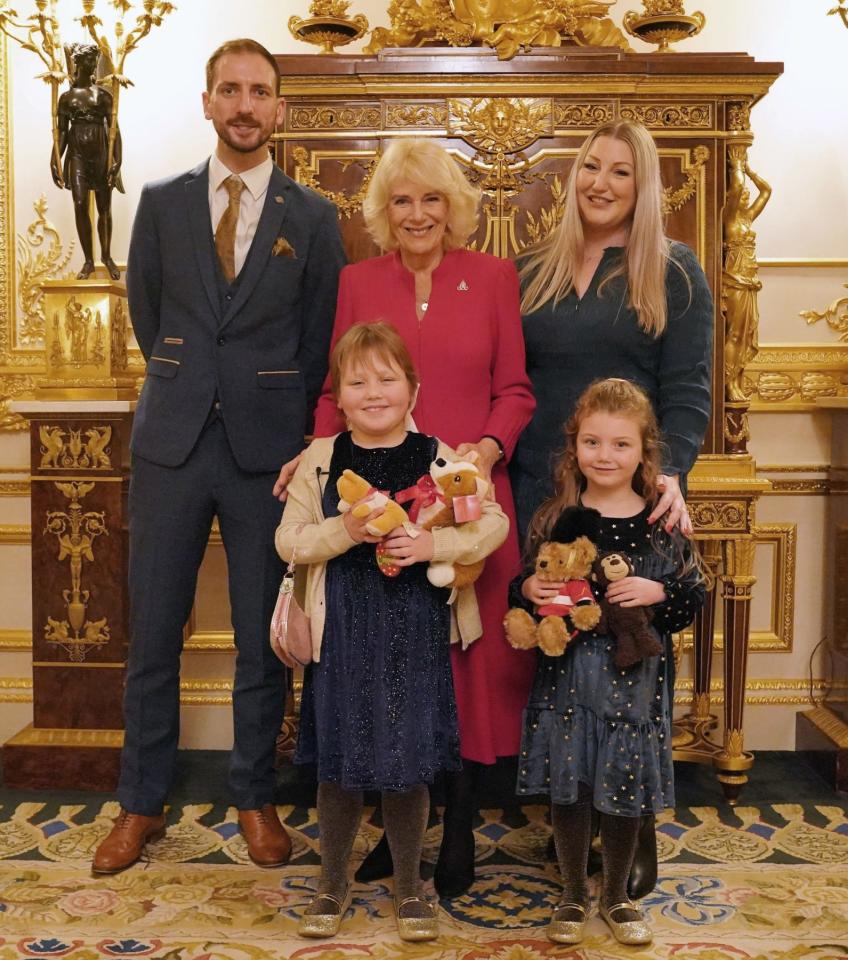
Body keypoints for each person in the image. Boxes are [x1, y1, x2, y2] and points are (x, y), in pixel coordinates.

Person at [91, 38, 345, 875]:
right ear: (207, 103)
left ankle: (253, 800)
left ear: (278, 109)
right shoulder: (161, 204)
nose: (244, 105)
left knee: (258, 638)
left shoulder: (311, 219)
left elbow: (318, 344)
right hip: (169, 442)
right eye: (229, 90)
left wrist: (286, 425)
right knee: (153, 634)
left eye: (259, 92)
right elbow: (147, 312)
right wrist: (189, 380)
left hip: (265, 455)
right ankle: (139, 806)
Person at [276, 137, 535, 897]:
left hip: (465, 497)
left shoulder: (493, 277)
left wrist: (481, 456)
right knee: (387, 663)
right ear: (383, 212)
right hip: (373, 495)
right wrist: (312, 454)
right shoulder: (359, 280)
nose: (417, 213)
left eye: (431, 199)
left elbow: (515, 389)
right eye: (401, 200)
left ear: (454, 207)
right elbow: (336, 390)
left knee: (465, 666)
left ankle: (457, 831)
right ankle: (397, 839)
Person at [510, 119, 713, 898]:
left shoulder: (674, 271)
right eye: (589, 167)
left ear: (643, 185)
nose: (600, 182)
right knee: (564, 666)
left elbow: (689, 388)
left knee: (628, 669)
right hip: (545, 493)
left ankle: (631, 835)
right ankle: (570, 826)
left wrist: (673, 477)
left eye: (619, 173)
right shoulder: (535, 270)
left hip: (628, 498)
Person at [275, 322, 509, 941]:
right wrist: (344, 533)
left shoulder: (441, 458)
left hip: (413, 626)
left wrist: (434, 540)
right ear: (339, 396)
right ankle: (331, 882)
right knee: (340, 764)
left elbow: (491, 522)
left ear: (413, 388)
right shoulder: (321, 461)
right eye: (357, 381)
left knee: (407, 763)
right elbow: (289, 540)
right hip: (342, 631)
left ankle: (411, 886)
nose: (373, 392)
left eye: (387, 378)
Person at [514, 377, 705, 947]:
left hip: (633, 687)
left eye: (621, 444)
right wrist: (530, 592)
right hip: (568, 685)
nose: (605, 455)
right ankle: (573, 892)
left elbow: (692, 594)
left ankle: (617, 895)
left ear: (644, 452)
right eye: (592, 442)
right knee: (569, 791)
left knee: (622, 792)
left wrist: (656, 593)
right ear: (574, 446)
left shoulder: (661, 519)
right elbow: (522, 583)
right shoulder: (556, 516)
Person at [51, 42, 122, 280]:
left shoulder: (102, 96)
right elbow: (61, 132)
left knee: (104, 207)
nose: (93, 66)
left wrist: (117, 160)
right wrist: (55, 158)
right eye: (89, 62)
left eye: (95, 61)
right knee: (80, 204)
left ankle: (107, 256)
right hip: (78, 156)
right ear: (79, 64)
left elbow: (114, 129)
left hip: (101, 153)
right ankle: (88, 260)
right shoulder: (66, 98)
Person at [721, 145, 770, 403]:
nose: (745, 196)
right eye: (741, 195)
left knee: (746, 334)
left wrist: (749, 169)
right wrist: (737, 166)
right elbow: (737, 188)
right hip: (735, 282)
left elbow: (767, 191)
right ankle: (728, 383)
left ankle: (737, 381)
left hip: (751, 283)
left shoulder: (748, 218)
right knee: (735, 334)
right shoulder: (729, 219)